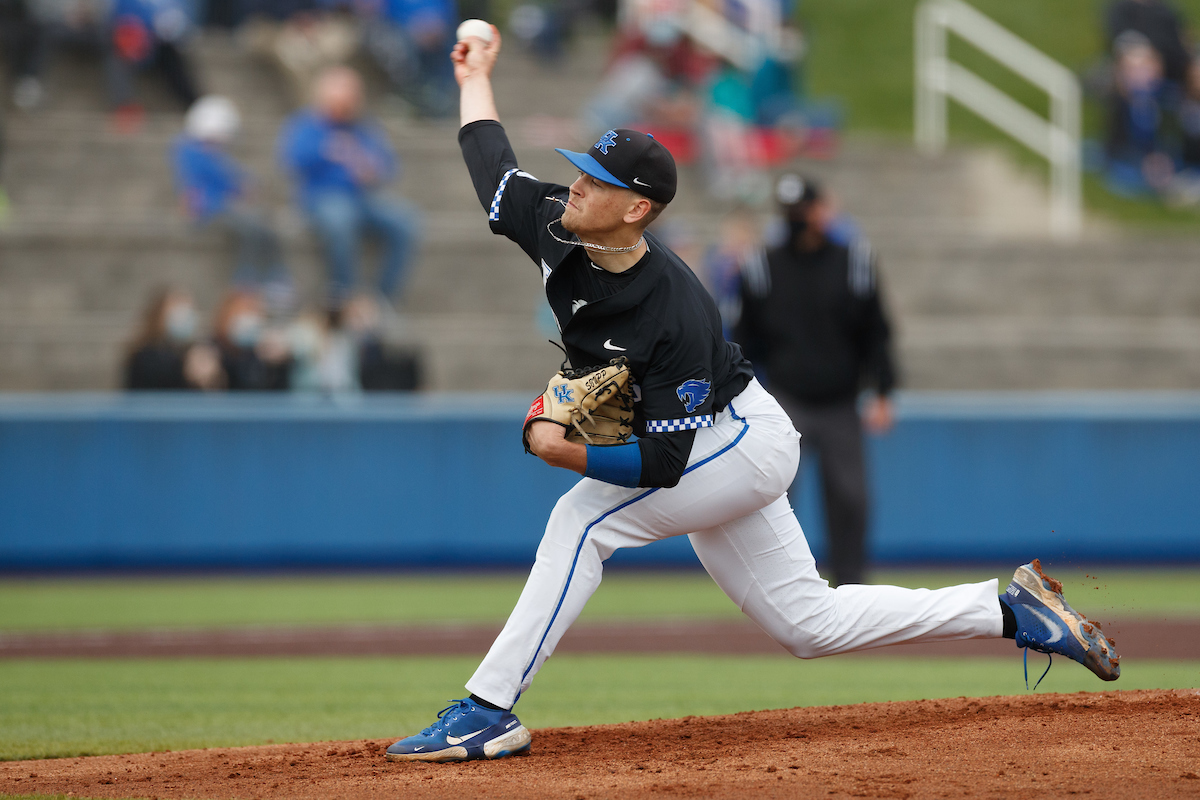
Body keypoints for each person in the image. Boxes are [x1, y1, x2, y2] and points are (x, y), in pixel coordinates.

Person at [384, 27, 1121, 764]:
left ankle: (488, 709)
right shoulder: (554, 221)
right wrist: (474, 74)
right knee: (808, 624)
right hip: (704, 440)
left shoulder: (673, 310)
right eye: (579, 169)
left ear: (637, 208)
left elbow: (666, 462)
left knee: (582, 522)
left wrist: (563, 450)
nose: (574, 183)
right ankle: (1007, 611)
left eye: (595, 179)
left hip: (738, 440)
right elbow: (490, 160)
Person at [734, 174, 894, 589]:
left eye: (806, 210)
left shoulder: (853, 261)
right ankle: (775, 585)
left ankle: (852, 586)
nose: (802, 220)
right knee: (774, 497)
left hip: (841, 399)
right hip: (785, 400)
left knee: (850, 497)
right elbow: (743, 340)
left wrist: (882, 390)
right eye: (794, 213)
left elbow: (877, 330)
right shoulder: (762, 266)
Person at [278, 65, 421, 309]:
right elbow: (292, 161)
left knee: (406, 223)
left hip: (361, 197)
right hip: (321, 196)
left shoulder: (363, 128)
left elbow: (388, 165)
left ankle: (381, 300)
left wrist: (371, 168)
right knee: (341, 221)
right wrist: (328, 150)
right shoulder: (307, 125)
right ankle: (343, 296)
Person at [173, 95, 294, 310]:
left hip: (224, 207)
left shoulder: (209, 154)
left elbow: (235, 176)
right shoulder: (190, 151)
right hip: (211, 209)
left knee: (261, 225)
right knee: (252, 226)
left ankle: (275, 277)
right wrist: (241, 187)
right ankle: (246, 282)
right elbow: (223, 179)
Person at [124, 288, 225, 390]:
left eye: (188, 308)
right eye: (177, 307)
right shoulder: (144, 355)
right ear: (159, 314)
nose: (184, 315)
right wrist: (186, 368)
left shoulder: (198, 350)